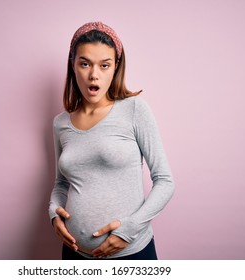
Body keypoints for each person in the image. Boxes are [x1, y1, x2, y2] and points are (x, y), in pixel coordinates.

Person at [48, 22, 174, 260]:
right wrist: (53, 213)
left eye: (104, 65)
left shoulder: (134, 110)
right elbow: (61, 183)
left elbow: (165, 182)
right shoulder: (60, 124)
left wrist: (129, 230)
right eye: (84, 64)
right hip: (75, 254)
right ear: (73, 65)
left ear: (116, 67)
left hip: (131, 253)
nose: (94, 74)